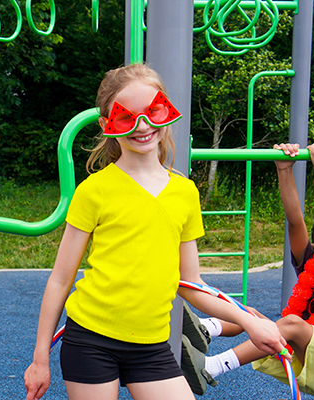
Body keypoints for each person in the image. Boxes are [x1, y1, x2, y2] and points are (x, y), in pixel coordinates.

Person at [22, 64, 286, 400]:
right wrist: (39, 358)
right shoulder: (95, 190)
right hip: (91, 338)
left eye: (153, 111)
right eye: (125, 117)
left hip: (151, 345)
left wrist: (247, 321)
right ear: (107, 125)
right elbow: (60, 279)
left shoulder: (185, 192)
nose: (142, 125)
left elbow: (191, 284)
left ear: (166, 112)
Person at [199, 143, 314, 399]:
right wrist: (284, 170)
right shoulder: (310, 264)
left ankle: (214, 366)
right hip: (306, 359)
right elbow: (295, 221)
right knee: (249, 315)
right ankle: (203, 328)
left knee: (291, 324)